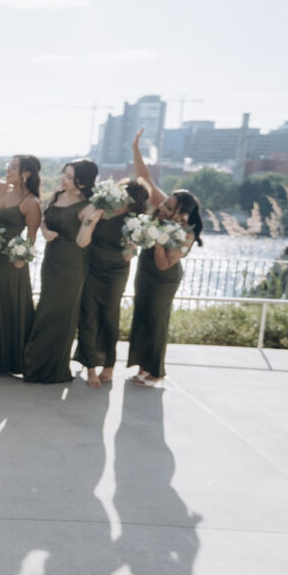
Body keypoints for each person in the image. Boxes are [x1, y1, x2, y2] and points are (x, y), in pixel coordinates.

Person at [127, 130, 204, 386]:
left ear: (180, 214)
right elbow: (144, 178)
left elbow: (163, 264)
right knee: (142, 316)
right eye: (164, 203)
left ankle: (156, 371)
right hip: (144, 270)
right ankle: (142, 365)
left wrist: (158, 239)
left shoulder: (186, 234)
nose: (161, 207)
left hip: (163, 277)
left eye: (168, 207)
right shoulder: (164, 207)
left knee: (156, 320)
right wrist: (135, 148)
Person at [22, 159, 100, 384]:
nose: (63, 179)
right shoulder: (57, 195)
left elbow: (82, 242)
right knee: (46, 308)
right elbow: (44, 220)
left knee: (62, 314)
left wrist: (89, 222)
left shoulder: (88, 207)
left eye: (69, 177)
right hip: (51, 261)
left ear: (82, 183)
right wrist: (45, 232)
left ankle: (52, 369)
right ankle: (34, 364)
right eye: (64, 174)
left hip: (71, 265)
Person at [0, 132, 42, 376]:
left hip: (11, 262)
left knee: (6, 308)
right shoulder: (4, 190)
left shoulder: (31, 202)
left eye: (13, 166)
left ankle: (5, 360)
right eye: (8, 165)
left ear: (26, 173)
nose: (7, 169)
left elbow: (32, 238)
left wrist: (20, 260)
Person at [74, 175, 149, 388]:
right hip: (92, 266)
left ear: (133, 202)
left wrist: (131, 245)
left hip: (117, 271)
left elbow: (128, 256)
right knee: (88, 314)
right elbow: (83, 236)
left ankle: (109, 364)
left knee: (109, 315)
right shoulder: (102, 208)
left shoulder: (135, 220)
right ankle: (90, 367)